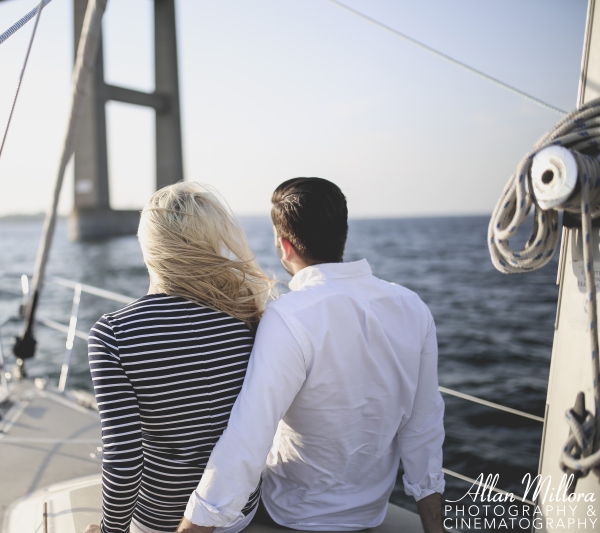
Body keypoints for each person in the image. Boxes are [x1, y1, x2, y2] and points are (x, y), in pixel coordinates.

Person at [177, 177, 446, 533]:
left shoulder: (288, 316)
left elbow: (247, 439)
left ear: (283, 245)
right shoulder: (412, 307)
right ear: (342, 234)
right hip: (370, 514)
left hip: (290, 514)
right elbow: (423, 428)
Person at [83, 182, 275, 533]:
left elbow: (125, 459)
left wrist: (111, 531)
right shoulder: (246, 315)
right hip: (237, 510)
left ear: (149, 248)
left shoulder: (113, 334)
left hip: (162, 519)